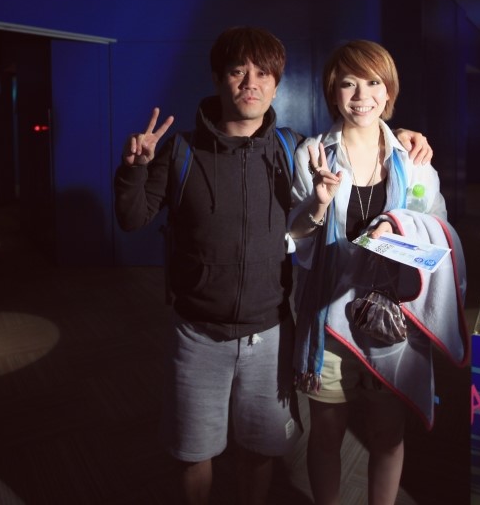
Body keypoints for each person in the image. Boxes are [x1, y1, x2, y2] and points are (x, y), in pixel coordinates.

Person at [113, 27, 434, 505]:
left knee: (261, 447)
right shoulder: (182, 150)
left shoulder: (292, 149)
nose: (251, 83)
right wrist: (134, 169)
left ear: (276, 85)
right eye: (238, 72)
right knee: (194, 452)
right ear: (218, 79)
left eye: (263, 73)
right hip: (199, 331)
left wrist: (406, 135)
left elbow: (362, 136)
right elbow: (132, 217)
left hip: (270, 331)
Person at [288, 39, 468, 505]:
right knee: (326, 433)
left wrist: (400, 236)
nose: (361, 95)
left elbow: (437, 239)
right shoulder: (313, 154)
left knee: (387, 434)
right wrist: (319, 204)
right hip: (328, 319)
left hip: (393, 321)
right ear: (333, 92)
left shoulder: (413, 158)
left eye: (373, 83)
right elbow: (295, 242)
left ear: (389, 92)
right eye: (348, 84)